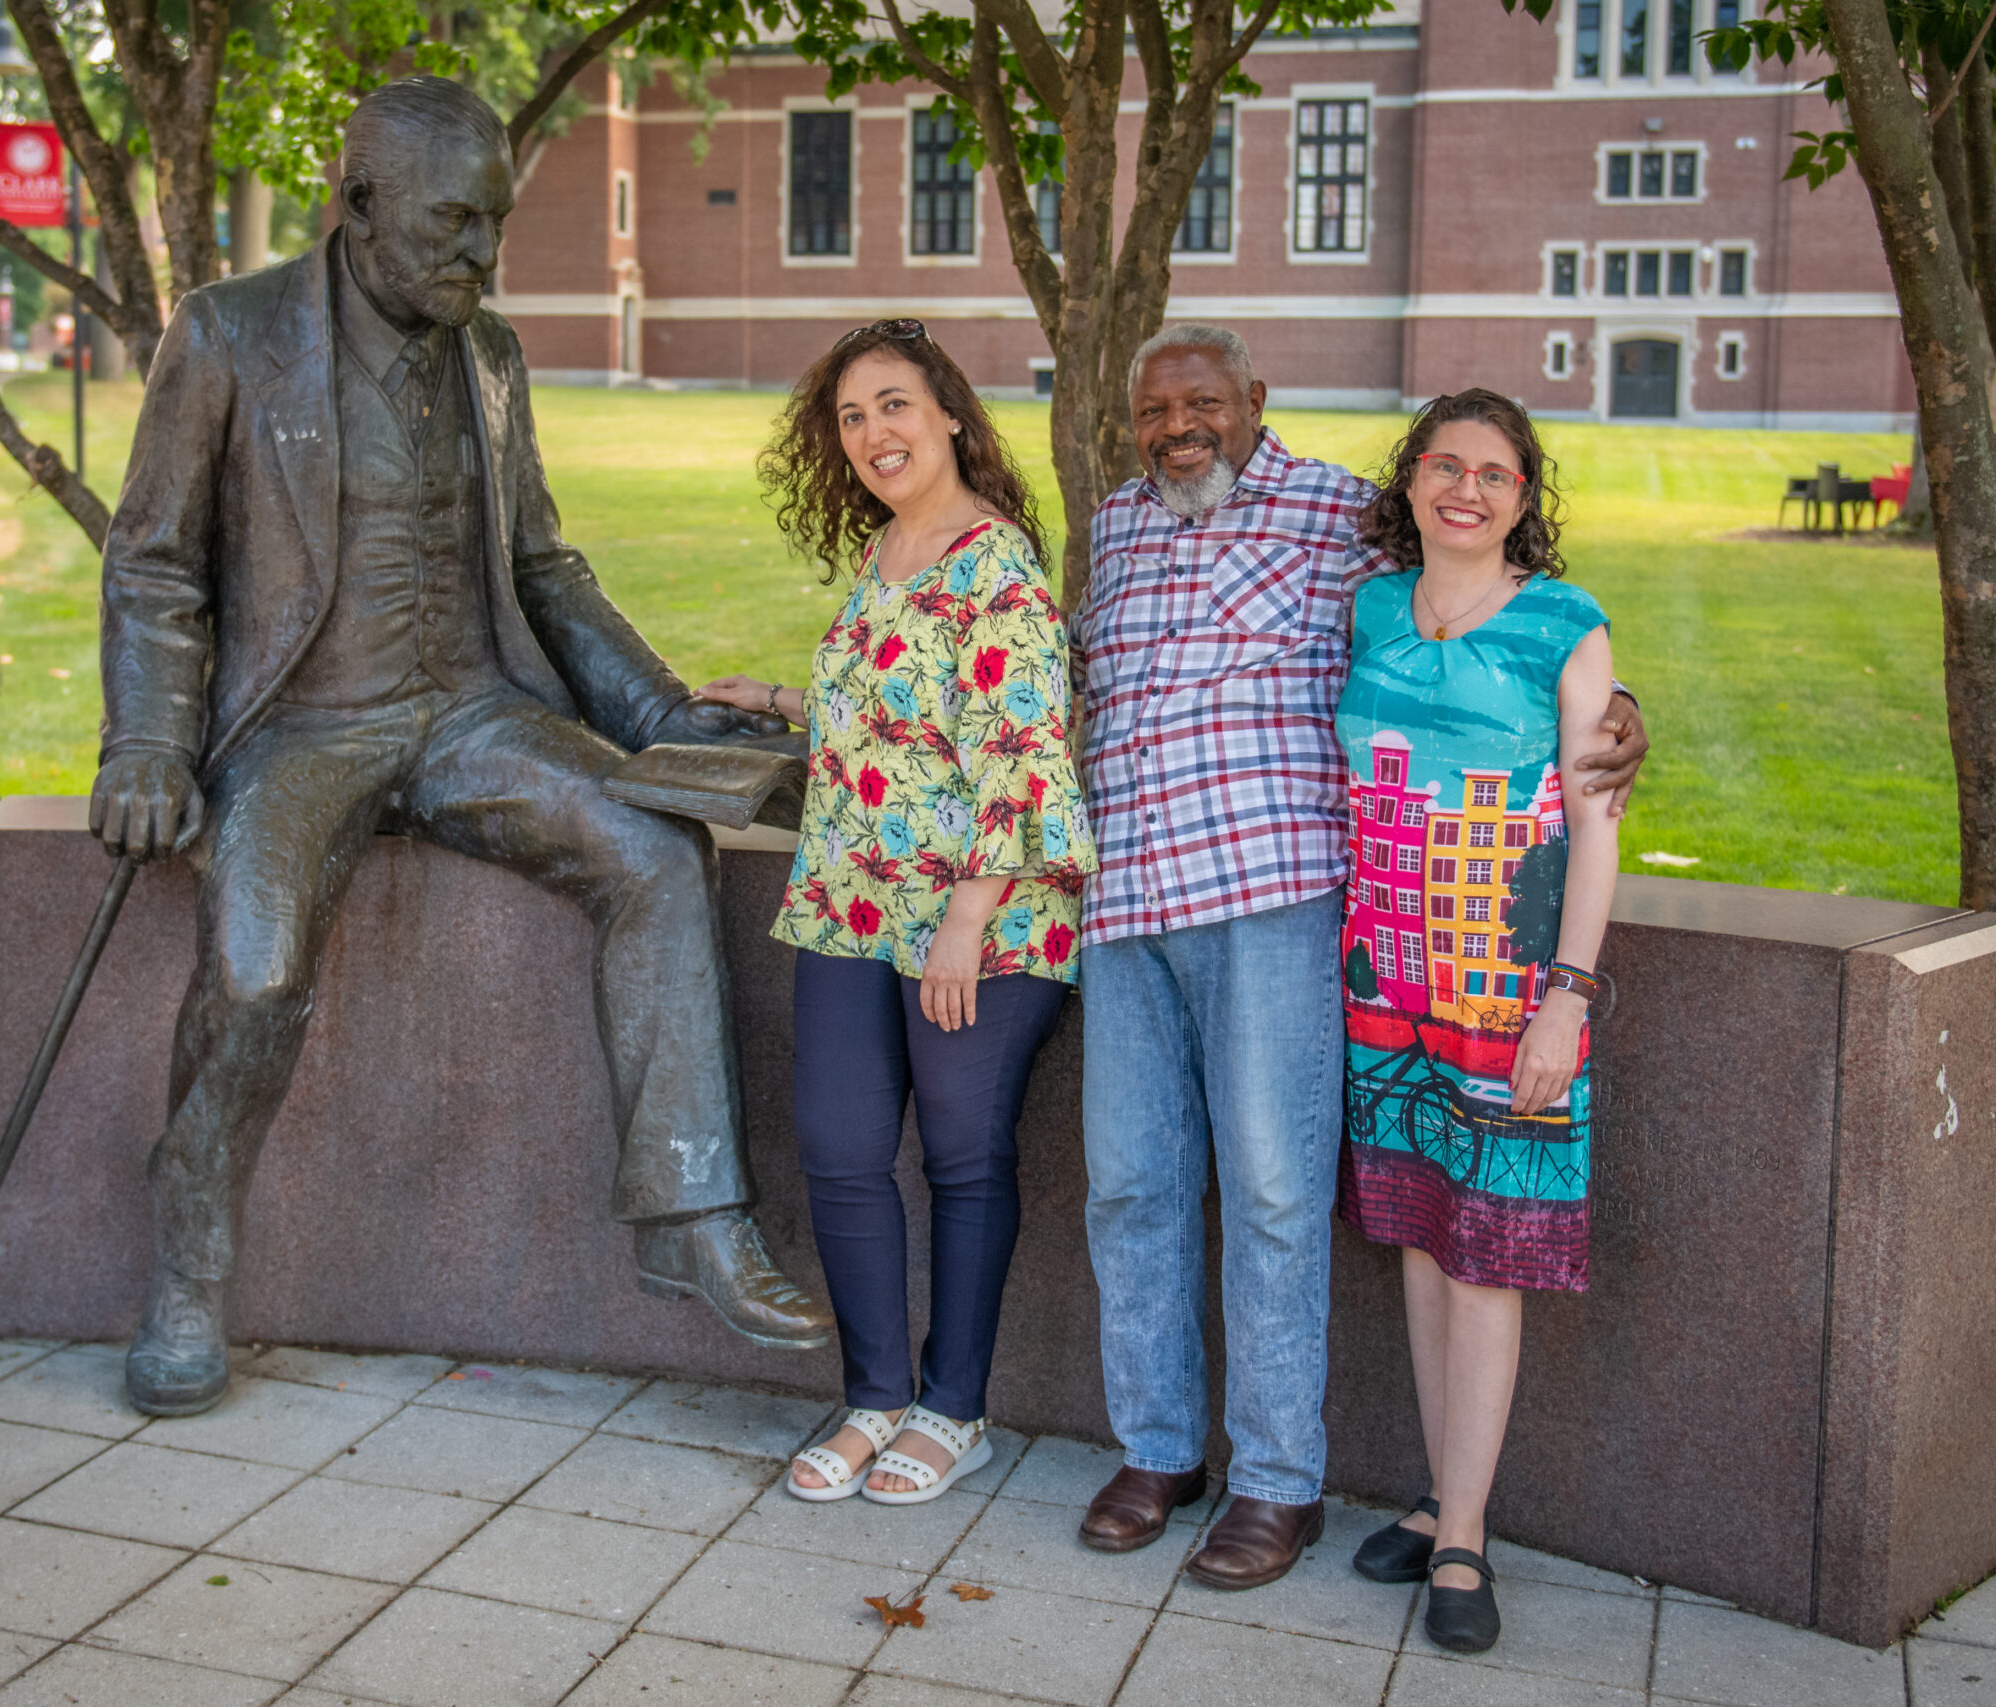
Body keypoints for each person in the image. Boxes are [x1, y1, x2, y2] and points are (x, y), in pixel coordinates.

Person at [89, 76, 831, 1419]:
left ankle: (690, 1215)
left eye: (493, 222)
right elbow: (151, 562)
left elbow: (544, 565)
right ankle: (189, 1265)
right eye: (454, 226)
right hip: (304, 725)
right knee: (254, 976)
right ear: (358, 204)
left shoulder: (491, 356)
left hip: (473, 712)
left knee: (654, 850)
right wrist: (145, 738)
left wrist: (661, 716)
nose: (484, 256)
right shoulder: (229, 335)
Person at [1068, 324, 1648, 1586]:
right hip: (1120, 908)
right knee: (1128, 1186)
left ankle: (1278, 1482)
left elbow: (1486, 583)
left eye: (1204, 403)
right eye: (1156, 408)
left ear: (1254, 403)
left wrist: (1609, 710)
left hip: (1274, 897)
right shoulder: (1113, 523)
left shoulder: (1337, 516)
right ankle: (1157, 1448)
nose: (1181, 426)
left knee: (1276, 1195)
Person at [701, 323, 1095, 1503]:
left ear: (952, 419)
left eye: (894, 406)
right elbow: (892, 730)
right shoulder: (885, 554)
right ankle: (874, 1396)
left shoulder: (999, 565)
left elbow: (1026, 758)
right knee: (837, 1145)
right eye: (850, 417)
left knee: (965, 1158)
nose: (873, 433)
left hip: (981, 920)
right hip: (846, 902)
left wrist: (966, 921)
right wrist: (774, 699)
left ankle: (952, 1407)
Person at [1335, 390, 1617, 1653]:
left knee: (1488, 1254)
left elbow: (1597, 822)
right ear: (1409, 480)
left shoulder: (1563, 624)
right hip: (1381, 983)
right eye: (1443, 465)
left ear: (1523, 496)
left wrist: (1567, 994)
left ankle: (1464, 1537)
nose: (1466, 488)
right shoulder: (1367, 606)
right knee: (1416, 1237)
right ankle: (1440, 1494)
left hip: (1509, 992)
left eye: (1494, 473)